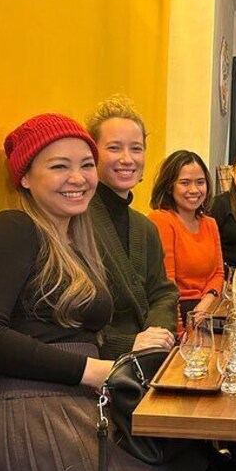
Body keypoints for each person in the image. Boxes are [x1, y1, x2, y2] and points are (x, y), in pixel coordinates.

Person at [0, 113, 215, 471]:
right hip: (22, 416)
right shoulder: (13, 227)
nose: (77, 178)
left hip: (72, 401)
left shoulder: (76, 239)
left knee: (205, 468)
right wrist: (95, 371)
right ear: (25, 177)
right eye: (59, 166)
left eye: (86, 165)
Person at [86, 94, 179, 360]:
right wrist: (130, 343)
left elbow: (163, 292)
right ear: (92, 154)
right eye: (114, 148)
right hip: (100, 363)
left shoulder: (144, 227)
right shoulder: (77, 221)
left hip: (147, 356)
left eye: (136, 149)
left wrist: (154, 334)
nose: (127, 159)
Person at [148, 151, 224, 323]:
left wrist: (207, 302)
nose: (194, 190)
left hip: (207, 309)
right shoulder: (161, 220)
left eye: (200, 182)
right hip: (176, 315)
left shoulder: (210, 223)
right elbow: (167, 289)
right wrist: (182, 331)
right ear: (169, 186)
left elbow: (218, 273)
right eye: (185, 183)